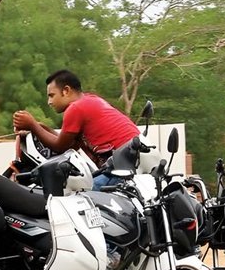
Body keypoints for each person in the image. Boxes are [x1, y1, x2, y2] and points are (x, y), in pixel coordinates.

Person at [12, 69, 141, 190]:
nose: (49, 102)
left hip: (121, 167)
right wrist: (41, 127)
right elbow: (70, 145)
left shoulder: (75, 108)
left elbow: (60, 146)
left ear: (66, 91)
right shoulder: (89, 101)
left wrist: (33, 125)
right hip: (133, 161)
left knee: (82, 196)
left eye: (52, 95)